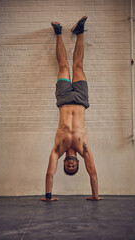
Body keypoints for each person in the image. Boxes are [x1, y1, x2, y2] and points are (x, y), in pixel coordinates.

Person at [41, 16, 103, 202]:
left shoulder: (58, 149)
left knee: (63, 65)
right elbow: (92, 172)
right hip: (81, 99)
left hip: (64, 99)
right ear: (77, 163)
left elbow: (49, 172)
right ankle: (80, 32)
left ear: (64, 164)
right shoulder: (83, 149)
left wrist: (48, 196)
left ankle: (58, 33)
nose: (69, 165)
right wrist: (95, 196)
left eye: (67, 167)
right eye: (72, 167)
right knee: (78, 65)